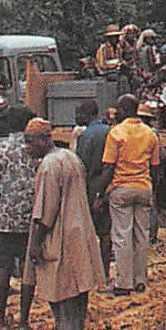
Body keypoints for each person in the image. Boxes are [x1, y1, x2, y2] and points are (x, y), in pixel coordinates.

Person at [25, 118, 106, 330]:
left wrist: (37, 242)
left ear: (43, 140)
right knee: (78, 287)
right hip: (79, 230)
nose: (28, 148)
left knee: (61, 290)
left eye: (30, 142)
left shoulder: (50, 166)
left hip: (60, 234)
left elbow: (45, 211)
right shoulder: (71, 157)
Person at [0, 104, 38, 330]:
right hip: (30, 220)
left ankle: (0, 322)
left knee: (1, 270)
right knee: (27, 272)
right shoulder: (37, 150)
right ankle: (24, 322)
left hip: (3, 219)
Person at [100, 93, 161, 295]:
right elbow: (155, 166)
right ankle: (140, 280)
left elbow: (109, 167)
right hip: (144, 187)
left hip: (122, 189)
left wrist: (100, 191)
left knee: (122, 236)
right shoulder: (150, 133)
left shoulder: (116, 133)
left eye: (119, 108)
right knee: (141, 235)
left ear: (124, 110)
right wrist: (151, 186)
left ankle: (123, 283)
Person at [72, 98, 113, 275]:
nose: (76, 117)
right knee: (105, 233)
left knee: (89, 232)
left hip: (91, 187)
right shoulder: (110, 132)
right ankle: (104, 271)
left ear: (89, 114)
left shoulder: (85, 136)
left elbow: (82, 165)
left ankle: (91, 271)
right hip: (109, 186)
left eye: (79, 113)